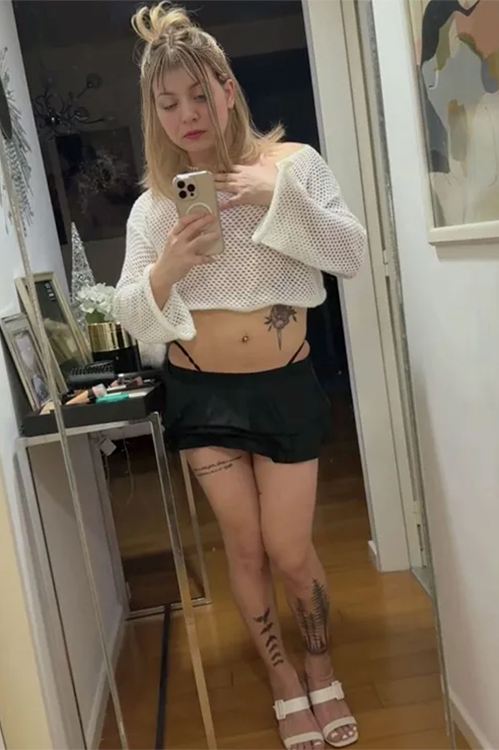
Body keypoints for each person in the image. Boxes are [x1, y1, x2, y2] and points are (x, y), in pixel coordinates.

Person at [114, 4, 366, 748]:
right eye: (168, 103)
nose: (187, 115)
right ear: (154, 113)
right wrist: (167, 269)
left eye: (200, 93)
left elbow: (351, 254)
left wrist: (273, 197)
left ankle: (321, 666)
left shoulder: (295, 165)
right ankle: (285, 680)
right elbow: (131, 313)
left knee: (290, 548)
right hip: (204, 396)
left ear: (228, 88)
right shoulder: (154, 208)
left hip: (284, 387)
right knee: (246, 546)